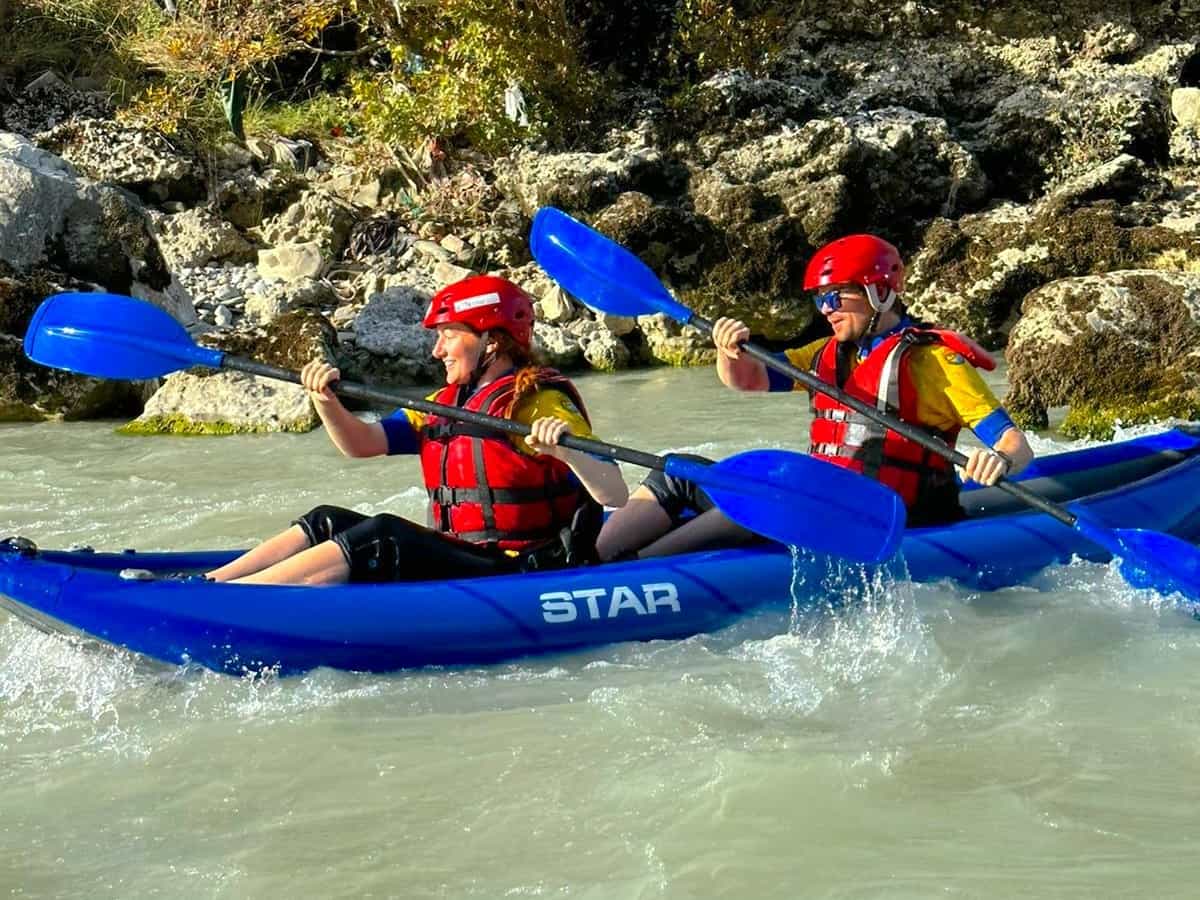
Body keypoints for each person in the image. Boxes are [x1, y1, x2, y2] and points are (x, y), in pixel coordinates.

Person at [595, 233, 1034, 561]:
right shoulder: (825, 353)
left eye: (835, 296)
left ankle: (634, 575)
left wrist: (998, 461)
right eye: (820, 299)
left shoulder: (934, 362)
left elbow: (1018, 447)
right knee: (679, 471)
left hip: (879, 518)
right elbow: (748, 380)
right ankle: (590, 561)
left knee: (763, 498)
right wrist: (727, 351)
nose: (825, 309)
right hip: (816, 502)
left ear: (878, 293)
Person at [207, 275, 628, 585]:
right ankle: (214, 584)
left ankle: (241, 598)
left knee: (384, 534)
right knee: (325, 521)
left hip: (520, 567)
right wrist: (325, 401)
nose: (436, 350)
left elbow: (615, 493)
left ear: (493, 342)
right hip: (463, 553)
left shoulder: (538, 402)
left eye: (449, 336)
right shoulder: (440, 405)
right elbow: (362, 444)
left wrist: (566, 452)